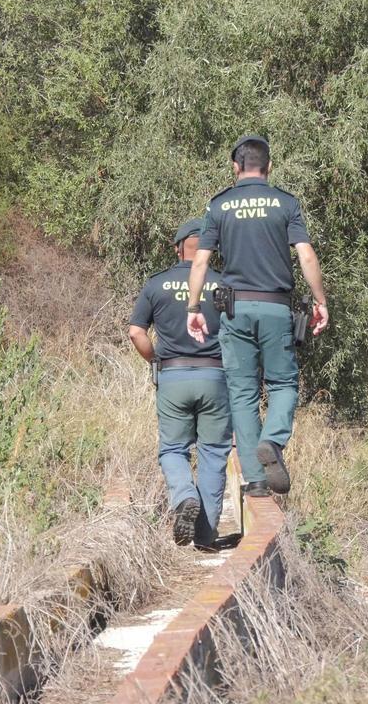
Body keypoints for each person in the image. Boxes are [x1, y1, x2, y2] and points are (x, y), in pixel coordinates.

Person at [185, 135, 329, 497]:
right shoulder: (285, 203)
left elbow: (200, 261)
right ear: (269, 167)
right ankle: (273, 441)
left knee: (243, 392)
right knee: (282, 384)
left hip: (235, 309)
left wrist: (193, 308)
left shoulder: (219, 206)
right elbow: (306, 256)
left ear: (236, 167)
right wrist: (320, 300)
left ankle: (256, 479)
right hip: (276, 308)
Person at [129, 218, 232, 547]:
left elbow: (136, 332)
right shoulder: (223, 284)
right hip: (216, 376)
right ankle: (205, 535)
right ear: (208, 249)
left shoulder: (156, 284)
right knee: (214, 453)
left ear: (177, 248)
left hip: (173, 374)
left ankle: (185, 496)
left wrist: (155, 360)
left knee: (173, 449)